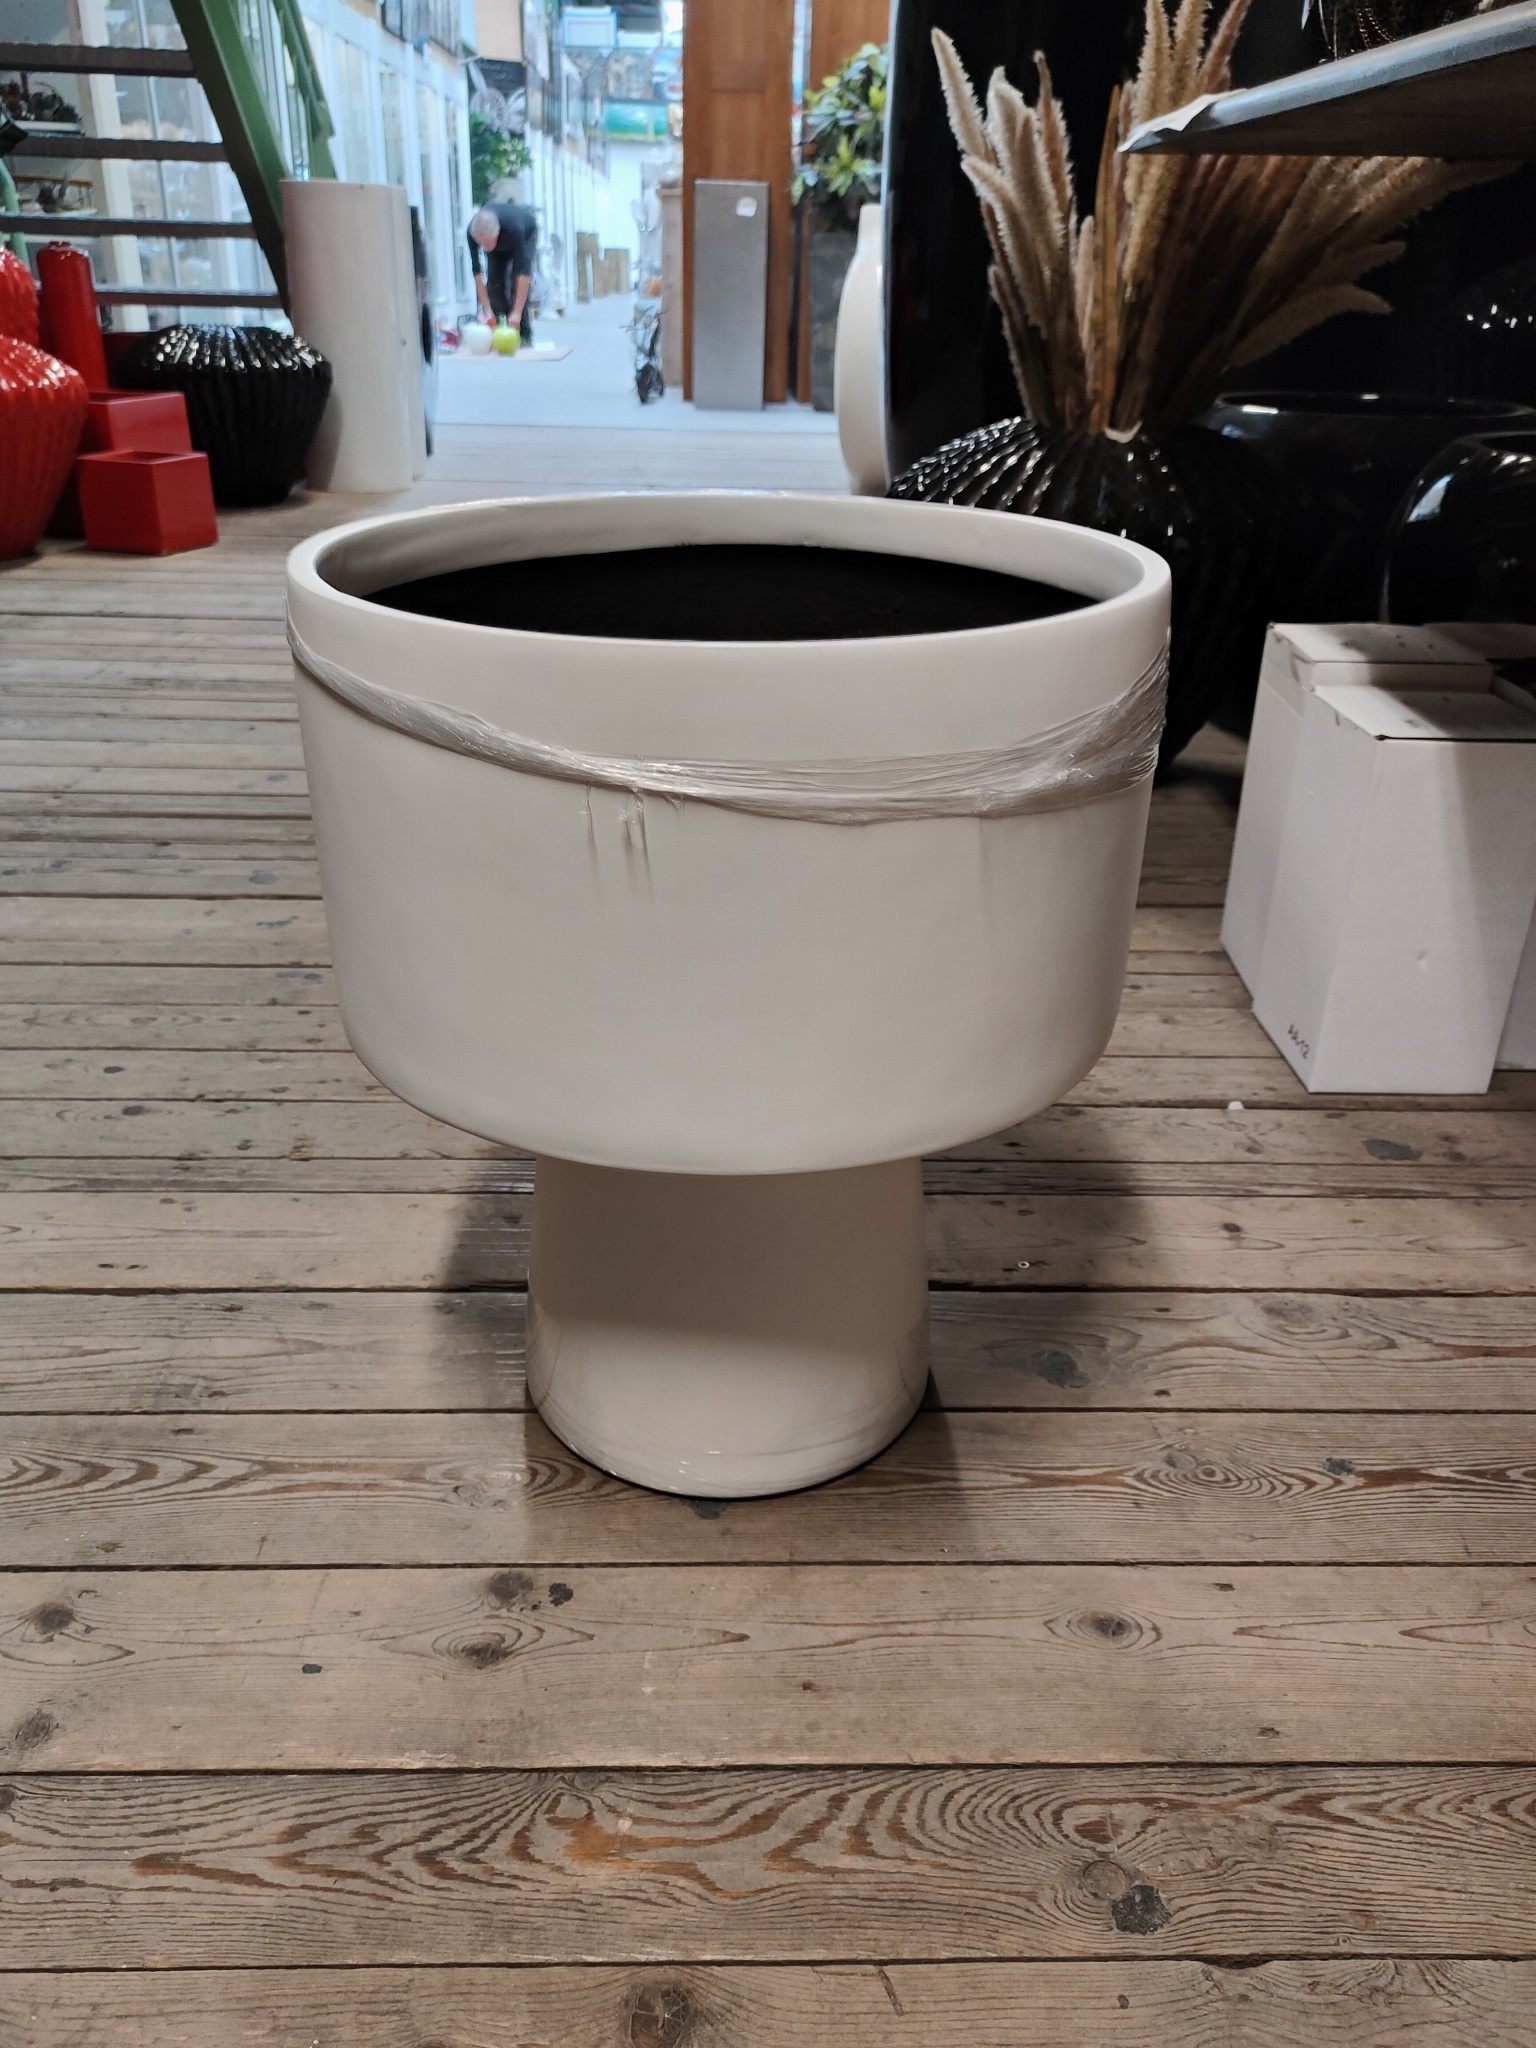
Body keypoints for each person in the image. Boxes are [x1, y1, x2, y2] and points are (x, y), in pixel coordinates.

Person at [468, 201, 537, 345]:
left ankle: (524, 334)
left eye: (486, 243)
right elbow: (477, 273)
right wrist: (487, 310)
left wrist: (517, 313)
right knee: (495, 282)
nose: (483, 248)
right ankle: (500, 328)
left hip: (525, 232)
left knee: (514, 282)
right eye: (481, 244)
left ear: (497, 232)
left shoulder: (515, 230)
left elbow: (523, 274)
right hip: (498, 239)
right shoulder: (472, 232)